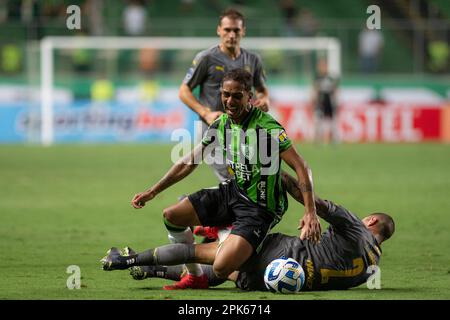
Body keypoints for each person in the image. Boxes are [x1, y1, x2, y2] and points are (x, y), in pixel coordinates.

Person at [102, 69, 321, 290]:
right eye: (225, 94)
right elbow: (189, 161)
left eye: (237, 96)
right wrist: (154, 191)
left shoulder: (267, 127)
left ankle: (219, 238)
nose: (229, 101)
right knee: (172, 216)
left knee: (221, 267)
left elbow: (301, 166)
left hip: (261, 208)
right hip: (234, 192)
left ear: (249, 96)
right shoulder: (221, 124)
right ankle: (195, 275)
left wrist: (310, 212)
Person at [101, 177, 395, 291]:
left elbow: (318, 204)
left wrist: (282, 177)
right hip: (277, 281)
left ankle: (128, 259)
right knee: (216, 272)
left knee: (203, 252)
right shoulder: (370, 269)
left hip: (277, 254)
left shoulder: (357, 226)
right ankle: (152, 271)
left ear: (370, 220)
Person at [179, 8, 270, 181]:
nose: (231, 34)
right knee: (235, 180)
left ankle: (199, 205)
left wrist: (264, 99)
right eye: (227, 29)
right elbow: (184, 91)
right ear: (219, 30)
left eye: (236, 30)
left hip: (243, 130)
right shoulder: (206, 58)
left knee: (246, 181)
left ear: (243, 31)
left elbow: (262, 89)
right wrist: (205, 113)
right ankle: (197, 205)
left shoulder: (253, 60)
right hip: (214, 130)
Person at [312, 58, 339, 144]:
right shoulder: (317, 78)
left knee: (332, 121)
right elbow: (315, 89)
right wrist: (314, 100)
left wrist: (336, 100)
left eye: (324, 66)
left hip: (329, 102)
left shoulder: (330, 78)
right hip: (320, 102)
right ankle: (318, 139)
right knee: (318, 121)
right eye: (321, 66)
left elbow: (335, 89)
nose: (322, 68)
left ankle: (333, 139)